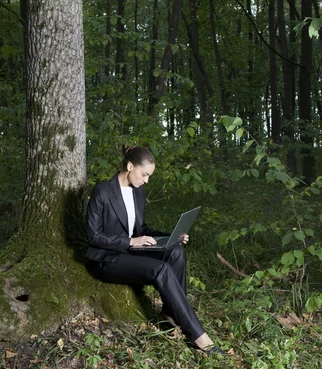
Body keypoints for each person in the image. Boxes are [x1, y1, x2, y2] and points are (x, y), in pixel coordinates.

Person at [86, 145, 223, 354]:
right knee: (161, 269)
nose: (146, 180)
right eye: (144, 174)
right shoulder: (102, 192)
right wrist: (132, 242)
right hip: (106, 258)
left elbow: (141, 230)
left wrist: (170, 237)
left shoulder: (138, 192)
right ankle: (198, 336)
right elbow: (94, 237)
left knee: (176, 252)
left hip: (131, 251)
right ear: (130, 166)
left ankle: (171, 314)